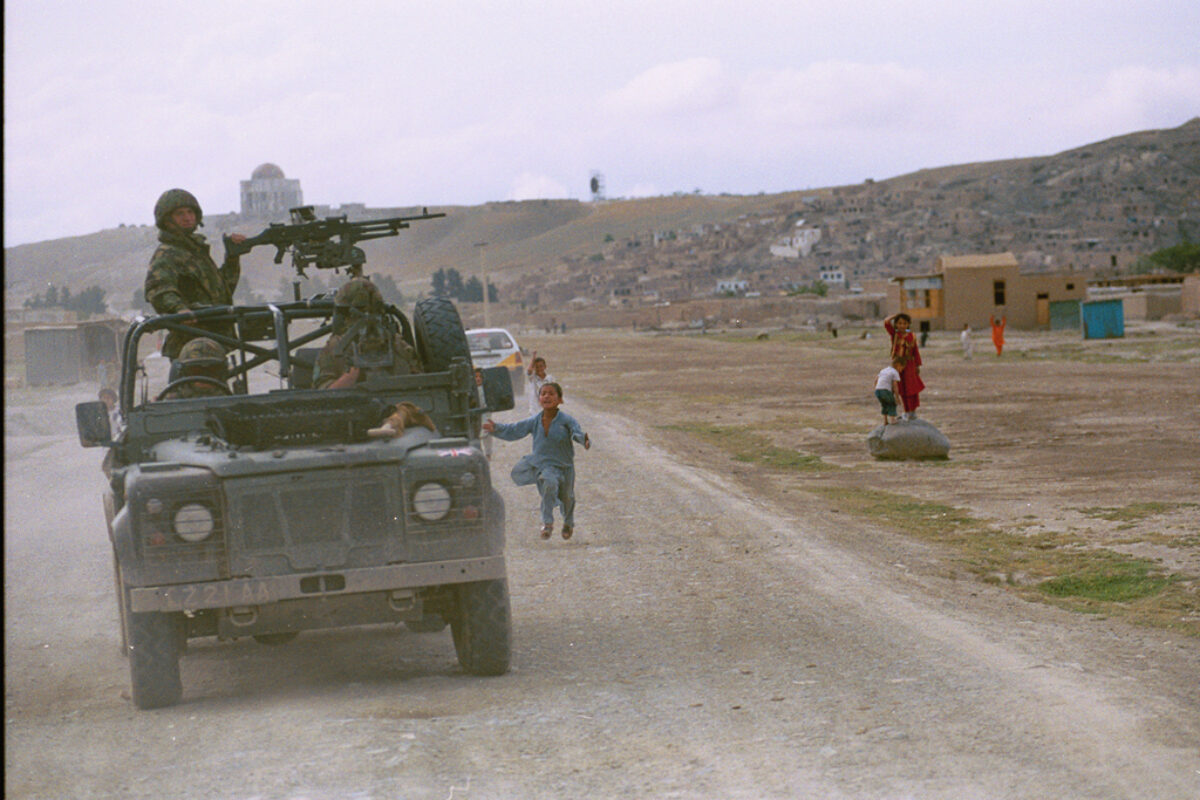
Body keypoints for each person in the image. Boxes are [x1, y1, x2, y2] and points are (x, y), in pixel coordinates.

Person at [143, 188, 246, 360]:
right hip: (190, 346)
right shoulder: (167, 254)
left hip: (216, 340)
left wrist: (232, 258)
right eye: (180, 213)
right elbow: (158, 289)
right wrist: (178, 309)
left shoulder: (196, 252)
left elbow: (221, 292)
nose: (187, 217)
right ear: (167, 220)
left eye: (190, 212)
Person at [484, 382, 590, 540]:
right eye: (543, 393)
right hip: (545, 465)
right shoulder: (534, 421)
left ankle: (568, 523)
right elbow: (514, 430)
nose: (546, 396)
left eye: (551, 393)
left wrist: (584, 440)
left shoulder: (567, 420)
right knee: (549, 485)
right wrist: (497, 429)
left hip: (565, 466)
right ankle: (547, 523)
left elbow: (577, 433)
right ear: (539, 399)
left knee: (568, 497)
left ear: (560, 399)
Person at [314, 278, 422, 389]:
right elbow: (320, 394)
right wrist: (349, 378)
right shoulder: (335, 349)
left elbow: (421, 385)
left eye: (373, 313)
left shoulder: (398, 346)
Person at [883, 312, 925, 420]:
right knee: (902, 389)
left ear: (908, 324)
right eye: (899, 323)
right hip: (898, 366)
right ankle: (906, 411)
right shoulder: (895, 335)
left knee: (911, 389)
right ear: (896, 324)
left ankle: (913, 411)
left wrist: (917, 365)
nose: (902, 325)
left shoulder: (912, 336)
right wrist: (895, 315)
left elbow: (915, 351)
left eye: (904, 323)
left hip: (910, 365)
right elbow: (886, 322)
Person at [159, 337, 231, 399]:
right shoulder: (172, 402)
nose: (204, 375)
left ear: (222, 371)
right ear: (184, 372)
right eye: (196, 370)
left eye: (211, 370)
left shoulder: (232, 400)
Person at [874, 357, 906, 425]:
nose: (901, 370)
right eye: (902, 368)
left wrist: (876, 388)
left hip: (878, 390)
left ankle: (885, 421)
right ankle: (892, 420)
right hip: (885, 390)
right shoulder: (895, 372)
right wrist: (897, 397)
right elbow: (895, 386)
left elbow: (876, 379)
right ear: (898, 365)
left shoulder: (884, 370)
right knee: (892, 404)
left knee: (884, 404)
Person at [525, 351, 556, 416]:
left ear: (545, 367)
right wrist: (533, 358)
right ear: (534, 368)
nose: (539, 369)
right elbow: (529, 370)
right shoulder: (532, 378)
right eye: (536, 367)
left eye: (541, 366)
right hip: (534, 411)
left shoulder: (550, 379)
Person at [474, 366, 493, 459]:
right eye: (476, 377)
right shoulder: (471, 390)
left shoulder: (487, 388)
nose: (478, 379)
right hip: (475, 413)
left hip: (485, 412)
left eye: (480, 377)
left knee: (487, 431)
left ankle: (488, 453)